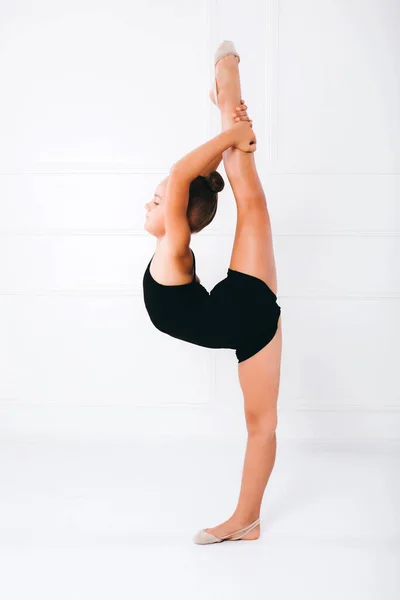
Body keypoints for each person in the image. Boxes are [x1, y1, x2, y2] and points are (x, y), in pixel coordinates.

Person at [142, 41, 282, 544]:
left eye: (157, 201)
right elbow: (184, 179)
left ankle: (228, 82)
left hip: (242, 310)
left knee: (246, 186)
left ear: (179, 217)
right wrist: (229, 138)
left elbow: (181, 177)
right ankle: (247, 522)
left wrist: (231, 134)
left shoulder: (175, 246)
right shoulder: (172, 247)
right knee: (246, 187)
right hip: (242, 311)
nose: (150, 202)